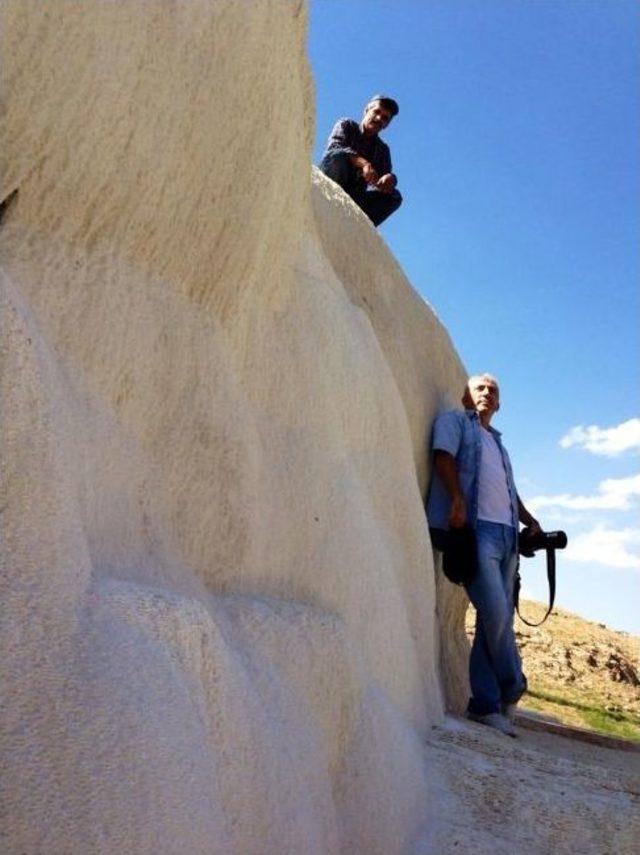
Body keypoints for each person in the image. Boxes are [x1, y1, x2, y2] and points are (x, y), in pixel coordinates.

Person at [426, 374, 541, 737]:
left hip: (508, 536)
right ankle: (513, 683)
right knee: (494, 614)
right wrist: (457, 499)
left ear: (500, 403)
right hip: (476, 532)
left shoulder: (499, 444)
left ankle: (484, 706)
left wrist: (530, 521)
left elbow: (510, 492)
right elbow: (443, 457)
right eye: (480, 388)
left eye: (493, 391)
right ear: (466, 395)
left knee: (497, 619)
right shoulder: (454, 422)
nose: (487, 394)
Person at [319, 95, 402, 227]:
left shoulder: (382, 149)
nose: (379, 118)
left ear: (386, 125)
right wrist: (364, 163)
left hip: (354, 198)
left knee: (395, 197)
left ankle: (358, 226)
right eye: (377, 112)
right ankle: (326, 204)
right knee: (337, 155)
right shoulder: (346, 125)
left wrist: (390, 179)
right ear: (366, 110)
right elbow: (334, 148)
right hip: (330, 183)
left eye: (385, 118)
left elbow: (384, 178)